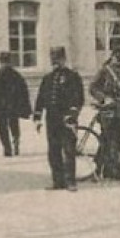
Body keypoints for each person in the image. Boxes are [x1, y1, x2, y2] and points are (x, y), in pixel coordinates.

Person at [88, 36, 120, 180]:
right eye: (118, 52)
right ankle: (102, 169)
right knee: (108, 140)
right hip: (108, 111)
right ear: (113, 53)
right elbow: (92, 88)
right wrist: (104, 98)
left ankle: (118, 168)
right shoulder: (105, 71)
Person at [32, 47, 84, 191]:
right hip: (52, 120)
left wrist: (73, 115)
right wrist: (37, 117)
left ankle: (70, 181)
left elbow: (78, 98)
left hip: (67, 119)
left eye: (58, 59)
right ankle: (58, 181)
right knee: (53, 151)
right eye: (53, 60)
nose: (55, 63)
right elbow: (41, 99)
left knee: (69, 151)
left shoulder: (73, 76)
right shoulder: (47, 78)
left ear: (64, 59)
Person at [0, 52, 32, 157]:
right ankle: (15, 141)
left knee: (2, 127)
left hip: (1, 107)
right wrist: (24, 107)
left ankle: (7, 147)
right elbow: (23, 92)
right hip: (12, 106)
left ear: (0, 61)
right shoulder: (16, 75)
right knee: (14, 124)